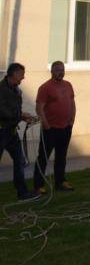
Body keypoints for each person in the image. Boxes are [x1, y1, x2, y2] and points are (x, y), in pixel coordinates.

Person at [33, 61, 76, 194]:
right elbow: (39, 107)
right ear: (52, 71)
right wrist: (46, 124)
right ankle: (39, 186)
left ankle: (60, 182)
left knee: (61, 157)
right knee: (43, 158)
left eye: (62, 69)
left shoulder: (68, 85)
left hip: (65, 128)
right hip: (50, 129)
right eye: (57, 70)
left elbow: (72, 103)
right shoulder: (45, 87)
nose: (60, 72)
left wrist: (71, 122)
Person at [0, 62, 38, 201]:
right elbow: (2, 112)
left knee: (20, 161)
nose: (24, 77)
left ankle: (22, 193)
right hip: (1, 132)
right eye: (22, 74)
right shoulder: (1, 89)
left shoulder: (17, 90)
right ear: (14, 74)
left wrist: (23, 116)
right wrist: (20, 116)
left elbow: (13, 111)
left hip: (11, 132)